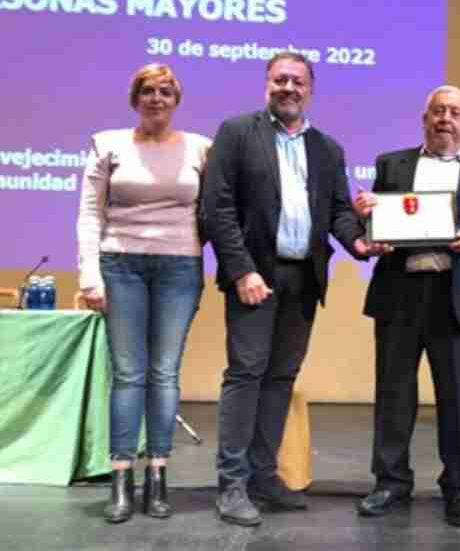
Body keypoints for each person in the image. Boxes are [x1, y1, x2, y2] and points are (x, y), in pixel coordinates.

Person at [202, 51, 381, 527]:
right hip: (254, 278)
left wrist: (360, 243)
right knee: (246, 374)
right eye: (280, 79)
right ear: (267, 85)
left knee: (280, 378)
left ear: (310, 89)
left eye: (297, 81)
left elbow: (340, 212)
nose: (288, 87)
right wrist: (241, 271)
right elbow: (217, 208)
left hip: (303, 280)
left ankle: (264, 475)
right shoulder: (237, 133)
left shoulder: (328, 148)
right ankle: (233, 484)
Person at [354, 85, 460, 527]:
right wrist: (369, 215)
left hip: (454, 296)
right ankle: (390, 483)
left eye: (454, 112)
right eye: (437, 111)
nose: (445, 118)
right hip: (400, 294)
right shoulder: (392, 164)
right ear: (425, 119)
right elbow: (377, 223)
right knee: (394, 395)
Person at [77, 63, 208, 523]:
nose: (157, 98)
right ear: (135, 98)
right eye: (149, 91)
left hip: (180, 267)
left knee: (165, 372)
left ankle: (157, 475)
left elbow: (215, 212)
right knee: (129, 374)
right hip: (121, 265)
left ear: (177, 100)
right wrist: (90, 277)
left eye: (166, 91)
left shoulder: (200, 148)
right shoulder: (107, 144)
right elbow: (90, 214)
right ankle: (121, 479)